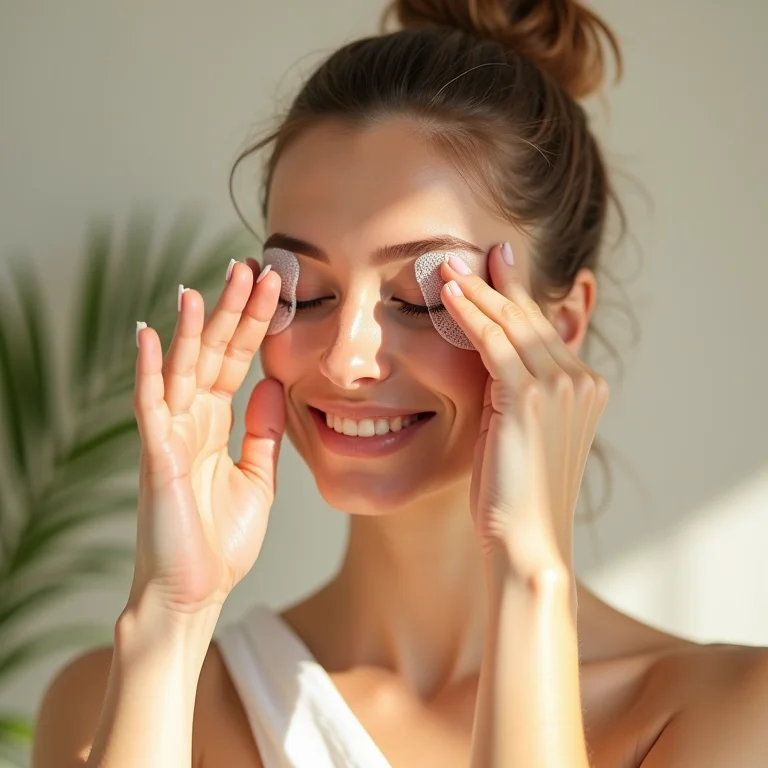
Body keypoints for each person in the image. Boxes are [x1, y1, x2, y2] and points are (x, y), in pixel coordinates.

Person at [32, 0, 768, 766]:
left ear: (564, 324)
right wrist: (172, 611)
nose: (347, 360)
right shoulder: (112, 707)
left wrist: (530, 576)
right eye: (305, 293)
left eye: (423, 299)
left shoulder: (723, 714)